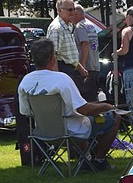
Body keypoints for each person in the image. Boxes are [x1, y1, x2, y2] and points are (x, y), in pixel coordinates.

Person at [17, 36, 120, 171]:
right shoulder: (61, 79)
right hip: (69, 132)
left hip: (42, 133)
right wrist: (106, 106)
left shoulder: (26, 81)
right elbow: (83, 109)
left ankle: (86, 159)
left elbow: (25, 112)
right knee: (114, 117)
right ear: (52, 59)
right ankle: (99, 160)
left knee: (80, 118)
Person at [45, 0, 90, 86]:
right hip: (62, 70)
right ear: (59, 11)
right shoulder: (57, 28)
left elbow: (68, 54)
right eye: (69, 10)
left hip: (69, 70)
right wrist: (57, 79)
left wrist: (80, 68)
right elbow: (53, 55)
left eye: (73, 9)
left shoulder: (68, 26)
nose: (73, 12)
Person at [72, 3, 101, 101]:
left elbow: (85, 44)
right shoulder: (90, 25)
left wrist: (82, 66)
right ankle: (97, 116)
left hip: (86, 67)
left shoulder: (79, 26)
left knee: (84, 100)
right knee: (93, 97)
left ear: (76, 14)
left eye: (72, 13)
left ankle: (89, 116)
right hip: (95, 65)